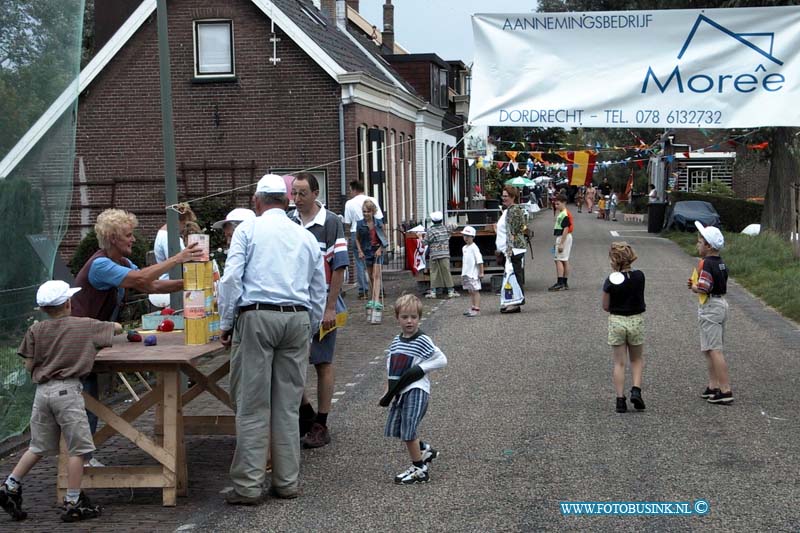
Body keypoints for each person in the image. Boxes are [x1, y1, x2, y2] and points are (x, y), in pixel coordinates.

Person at [218, 174, 326, 504]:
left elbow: (232, 279)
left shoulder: (248, 230)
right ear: (287, 200)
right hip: (296, 317)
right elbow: (318, 287)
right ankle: (287, 482)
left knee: (252, 404)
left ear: (257, 201)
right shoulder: (303, 235)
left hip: (257, 315)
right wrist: (310, 326)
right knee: (287, 405)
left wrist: (226, 322)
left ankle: (249, 486)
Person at [71, 209, 202, 466]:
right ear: (112, 238)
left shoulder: (121, 263)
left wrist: (191, 283)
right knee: (84, 398)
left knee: (90, 397)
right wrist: (178, 258)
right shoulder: (100, 265)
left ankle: (82, 457)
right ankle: (80, 461)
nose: (133, 239)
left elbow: (150, 285)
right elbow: (142, 278)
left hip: (92, 340)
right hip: (78, 342)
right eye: (128, 235)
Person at [0, 281, 123, 523]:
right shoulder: (85, 326)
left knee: (37, 446)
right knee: (78, 449)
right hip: (68, 391)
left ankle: (10, 485)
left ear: (44, 309)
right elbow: (116, 328)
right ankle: (73, 501)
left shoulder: (35, 330)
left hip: (42, 392)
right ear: (68, 302)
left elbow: (28, 365)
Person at [290, 173, 348, 449]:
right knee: (292, 362)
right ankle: (306, 413)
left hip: (322, 301)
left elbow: (338, 265)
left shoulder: (331, 222)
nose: (297, 199)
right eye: (294, 193)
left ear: (315, 193)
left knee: (322, 361)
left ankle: (320, 422)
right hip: (295, 302)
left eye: (302, 193)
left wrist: (330, 306)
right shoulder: (289, 222)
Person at [379, 295, 447, 485]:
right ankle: (424, 450)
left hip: (416, 390)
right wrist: (388, 388)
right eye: (405, 317)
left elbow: (441, 359)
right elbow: (391, 366)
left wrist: (419, 370)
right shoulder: (397, 341)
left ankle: (419, 469)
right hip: (401, 391)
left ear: (419, 318)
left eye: (414, 317)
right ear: (397, 318)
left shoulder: (422, 339)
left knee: (408, 429)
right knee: (401, 429)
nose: (409, 321)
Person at [689, 222, 733, 405]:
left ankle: (725, 389)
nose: (697, 245)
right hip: (721, 304)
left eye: (700, 242)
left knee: (714, 350)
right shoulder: (721, 263)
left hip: (710, 307)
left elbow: (704, 288)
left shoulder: (706, 264)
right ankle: (712, 385)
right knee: (709, 348)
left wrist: (693, 286)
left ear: (708, 246)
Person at [602, 243, 646, 413]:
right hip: (636, 320)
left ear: (614, 260)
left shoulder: (611, 280)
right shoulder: (640, 276)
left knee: (619, 363)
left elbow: (605, 305)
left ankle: (620, 400)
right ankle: (636, 389)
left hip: (617, 321)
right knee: (636, 359)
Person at [343, 180, 383, 300]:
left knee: (360, 263)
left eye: (350, 190)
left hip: (357, 232)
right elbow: (380, 218)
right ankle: (378, 290)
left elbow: (347, 222)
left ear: (354, 189)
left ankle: (363, 290)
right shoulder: (372, 200)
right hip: (372, 231)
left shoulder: (349, 203)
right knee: (376, 266)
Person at [496, 186, 527, 313]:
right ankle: (512, 300)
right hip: (509, 249)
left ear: (513, 197)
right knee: (510, 276)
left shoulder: (513, 210)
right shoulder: (508, 210)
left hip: (513, 249)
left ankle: (517, 301)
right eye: (503, 196)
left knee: (514, 276)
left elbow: (513, 232)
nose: (503, 198)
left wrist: (509, 250)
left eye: (506, 196)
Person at [355, 199, 388, 311]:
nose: (366, 214)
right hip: (366, 251)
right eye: (364, 211)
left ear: (373, 212)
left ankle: (376, 300)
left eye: (368, 211)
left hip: (377, 250)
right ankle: (372, 298)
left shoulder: (378, 223)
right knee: (370, 276)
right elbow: (357, 239)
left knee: (376, 275)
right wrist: (360, 251)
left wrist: (380, 249)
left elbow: (385, 238)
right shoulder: (360, 224)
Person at [153, 202, 197, 278]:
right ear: (176, 221)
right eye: (183, 223)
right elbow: (176, 263)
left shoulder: (162, 234)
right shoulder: (170, 237)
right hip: (172, 280)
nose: (184, 227)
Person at [424, 211, 457, 299]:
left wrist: (420, 237)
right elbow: (455, 226)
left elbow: (425, 242)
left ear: (432, 221)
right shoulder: (445, 229)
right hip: (445, 254)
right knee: (446, 271)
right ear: (441, 220)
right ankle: (450, 291)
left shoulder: (430, 230)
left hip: (434, 255)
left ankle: (433, 292)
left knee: (434, 272)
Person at [548, 192, 574, 291]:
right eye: (555, 204)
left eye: (558, 203)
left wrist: (561, 243)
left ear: (564, 202)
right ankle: (564, 282)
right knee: (564, 259)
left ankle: (560, 282)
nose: (556, 205)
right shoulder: (562, 213)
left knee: (558, 259)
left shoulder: (564, 214)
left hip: (564, 237)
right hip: (563, 237)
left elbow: (566, 228)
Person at [460, 226, 484, 317]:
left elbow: (480, 261)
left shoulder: (474, 248)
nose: (465, 238)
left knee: (475, 291)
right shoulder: (464, 248)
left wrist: (481, 272)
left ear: (473, 237)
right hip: (466, 273)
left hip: (473, 274)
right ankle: (473, 307)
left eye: (468, 236)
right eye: (464, 236)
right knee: (470, 291)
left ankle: (477, 309)